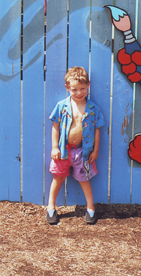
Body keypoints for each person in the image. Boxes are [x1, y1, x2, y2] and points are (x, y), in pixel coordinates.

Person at [46, 66, 105, 225]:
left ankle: (90, 208)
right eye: (74, 89)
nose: (79, 93)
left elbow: (97, 131)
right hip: (63, 151)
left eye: (82, 88)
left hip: (83, 152)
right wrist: (54, 147)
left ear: (88, 85)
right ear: (67, 88)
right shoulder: (62, 106)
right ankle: (51, 207)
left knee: (84, 179)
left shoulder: (93, 109)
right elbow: (55, 127)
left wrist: (95, 150)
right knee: (58, 177)